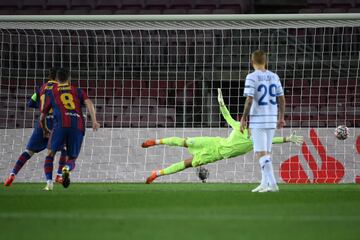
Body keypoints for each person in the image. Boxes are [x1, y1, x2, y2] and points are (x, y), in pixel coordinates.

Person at [143, 88, 299, 184]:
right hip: (213, 142)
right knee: (185, 141)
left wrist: (287, 139)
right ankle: (155, 141)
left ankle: (156, 174)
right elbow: (227, 116)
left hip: (215, 154)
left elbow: (271, 140)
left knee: (186, 164)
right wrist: (221, 102)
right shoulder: (240, 126)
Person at [4, 67, 66, 187]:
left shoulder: (41, 88)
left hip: (41, 123)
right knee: (64, 149)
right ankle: (58, 176)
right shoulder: (60, 89)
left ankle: (12, 174)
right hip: (55, 122)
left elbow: (30, 103)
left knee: (28, 152)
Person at [40, 68, 100, 190]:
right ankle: (66, 169)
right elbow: (89, 103)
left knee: (50, 154)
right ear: (69, 79)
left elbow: (42, 115)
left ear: (56, 79)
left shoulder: (52, 92)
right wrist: (94, 120)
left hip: (60, 125)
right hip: (77, 125)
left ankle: (49, 183)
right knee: (72, 158)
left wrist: (45, 129)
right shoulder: (77, 90)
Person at [240, 50, 286, 193]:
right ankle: (264, 183)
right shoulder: (274, 76)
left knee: (261, 153)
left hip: (258, 120)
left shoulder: (251, 77)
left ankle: (273, 184)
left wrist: (243, 117)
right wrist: (281, 117)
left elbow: (249, 99)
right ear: (265, 61)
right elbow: (281, 98)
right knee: (266, 153)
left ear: (252, 61)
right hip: (271, 119)